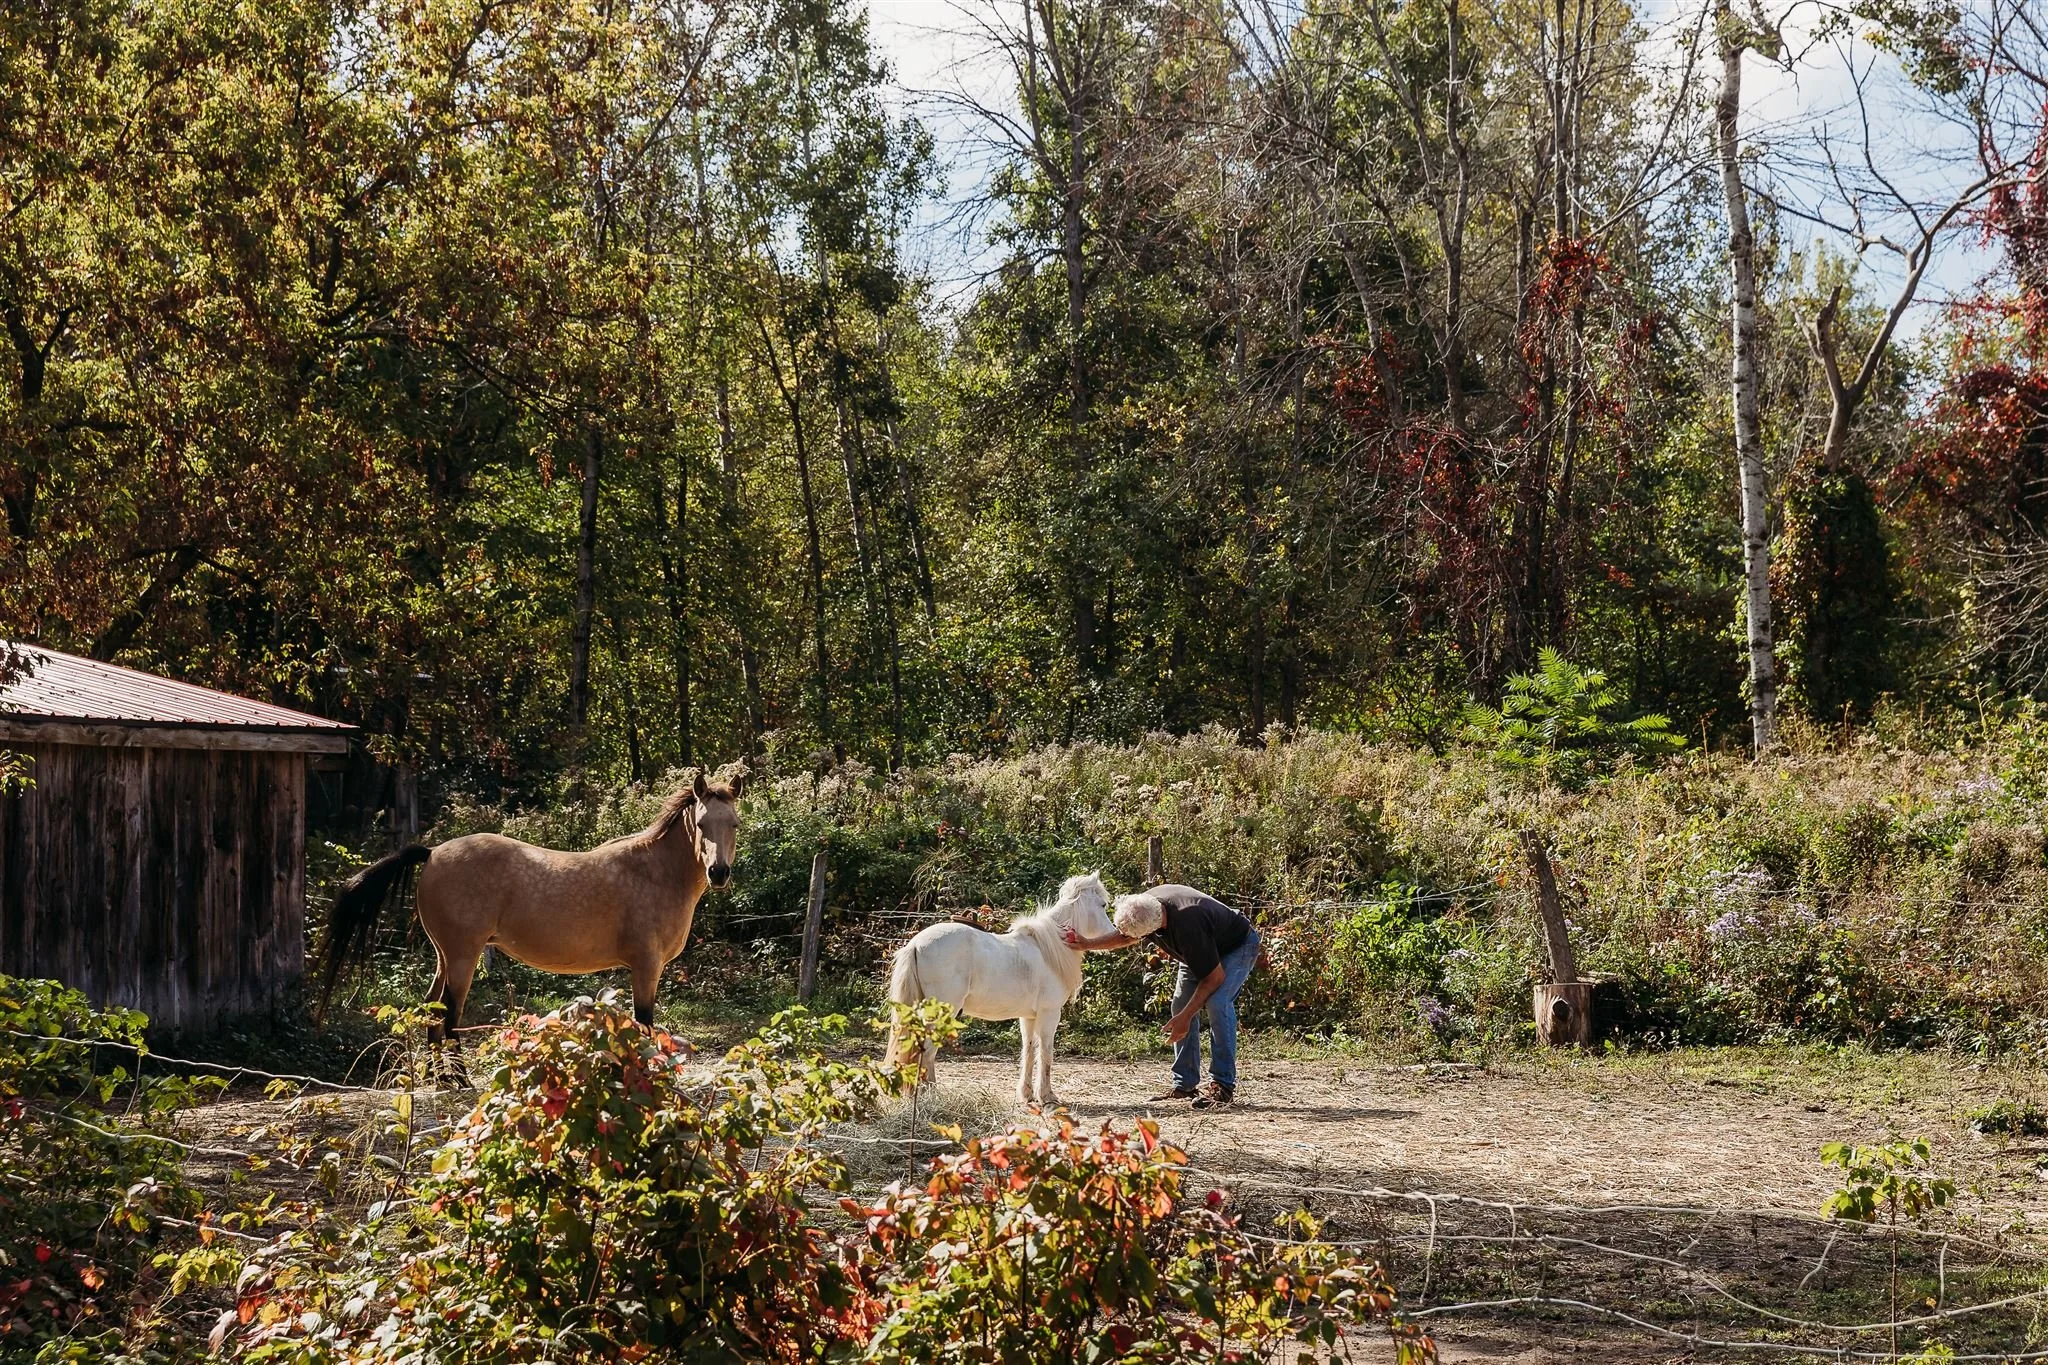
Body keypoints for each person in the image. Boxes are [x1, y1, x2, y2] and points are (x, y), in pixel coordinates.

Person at [1061, 883, 1260, 1108]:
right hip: (1198, 951)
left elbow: (1214, 978)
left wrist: (1185, 1019)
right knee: (1180, 1006)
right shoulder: (1142, 905)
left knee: (1217, 1003)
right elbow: (1126, 936)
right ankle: (1184, 1084)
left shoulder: (1189, 927)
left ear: (1153, 929)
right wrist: (1087, 944)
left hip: (1237, 945)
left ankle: (1222, 1086)